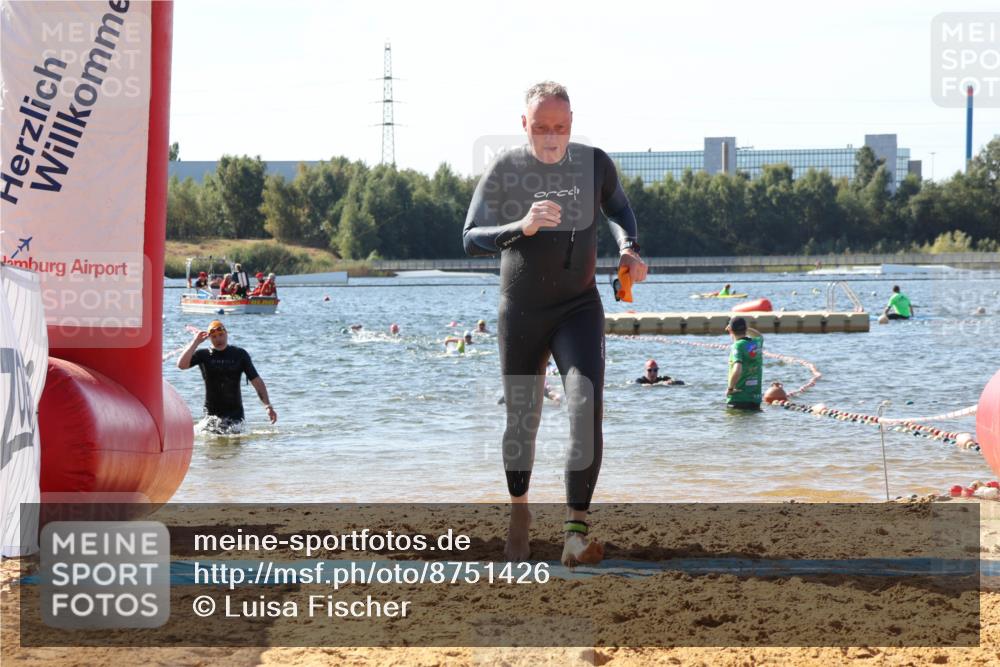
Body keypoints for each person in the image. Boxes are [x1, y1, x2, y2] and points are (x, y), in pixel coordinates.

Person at [463, 80, 647, 566]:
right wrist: (520, 226)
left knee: (585, 409)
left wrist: (628, 247)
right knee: (522, 423)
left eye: (560, 128)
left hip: (578, 307)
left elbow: (619, 208)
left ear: (571, 124)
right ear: (524, 124)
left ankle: (574, 534)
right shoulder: (506, 169)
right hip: (520, 310)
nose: (550, 137)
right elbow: (470, 236)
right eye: (541, 127)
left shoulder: (593, 163)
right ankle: (520, 511)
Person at [177, 320, 277, 428]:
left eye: (221, 335)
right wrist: (195, 342)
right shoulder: (203, 355)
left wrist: (268, 406)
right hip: (211, 415)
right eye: (214, 336)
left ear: (226, 334)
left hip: (236, 415)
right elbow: (181, 365)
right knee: (212, 443)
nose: (218, 339)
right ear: (209, 338)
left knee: (235, 443)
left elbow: (256, 381)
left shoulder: (239, 354)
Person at [725, 316, 764, 411]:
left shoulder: (737, 346)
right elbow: (759, 335)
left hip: (738, 398)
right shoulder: (756, 343)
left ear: (730, 330)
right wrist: (746, 328)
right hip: (755, 399)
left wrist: (730, 389)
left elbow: (737, 368)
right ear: (746, 329)